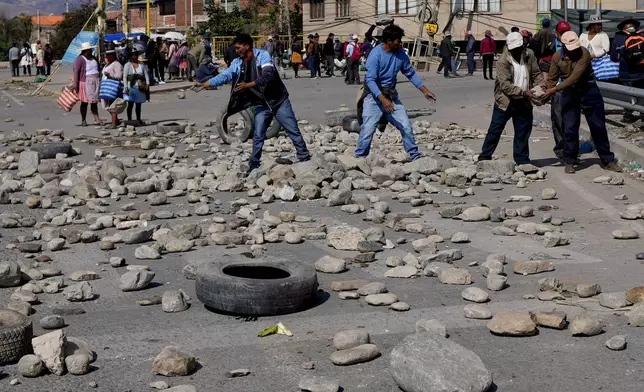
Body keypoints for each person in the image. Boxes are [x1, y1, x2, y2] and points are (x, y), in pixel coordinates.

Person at [196, 33, 311, 174]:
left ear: (247, 46)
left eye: (238, 48)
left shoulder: (262, 56)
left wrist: (249, 85)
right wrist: (205, 84)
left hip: (278, 101)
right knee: (258, 135)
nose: (236, 51)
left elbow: (268, 75)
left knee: (292, 129)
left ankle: (305, 158)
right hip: (261, 104)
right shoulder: (237, 63)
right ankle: (254, 164)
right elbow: (224, 76)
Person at [355, 24, 436, 160]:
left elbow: (410, 73)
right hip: (374, 97)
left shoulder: (401, 54)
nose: (401, 43)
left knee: (405, 125)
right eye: (398, 40)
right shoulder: (375, 55)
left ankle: (414, 155)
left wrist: (425, 90)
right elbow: (370, 81)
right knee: (368, 129)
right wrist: (383, 100)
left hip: (390, 95)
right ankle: (360, 158)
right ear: (389, 41)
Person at [545, 31, 621, 174]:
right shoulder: (557, 57)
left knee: (598, 126)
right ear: (564, 45)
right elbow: (552, 77)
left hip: (588, 89)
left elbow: (574, 77)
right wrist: (548, 92)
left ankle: (607, 160)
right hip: (569, 92)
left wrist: (554, 89)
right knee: (570, 127)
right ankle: (570, 160)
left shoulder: (584, 53)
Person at [478, 32, 544, 165]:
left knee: (523, 131)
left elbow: (536, 73)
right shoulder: (503, 61)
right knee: (495, 129)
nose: (516, 51)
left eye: (518, 48)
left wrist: (540, 86)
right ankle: (485, 157)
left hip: (524, 101)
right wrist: (524, 93)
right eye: (513, 49)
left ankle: (522, 160)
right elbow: (505, 85)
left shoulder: (529, 54)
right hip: (506, 101)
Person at [610, 16, 644, 123]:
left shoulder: (618, 38)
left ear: (623, 27)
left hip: (626, 73)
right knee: (642, 93)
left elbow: (613, 58)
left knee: (627, 95)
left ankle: (628, 115)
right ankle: (643, 115)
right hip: (641, 72)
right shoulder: (642, 35)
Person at [550, 21, 571, 160]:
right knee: (557, 120)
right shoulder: (551, 46)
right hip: (556, 89)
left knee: (570, 121)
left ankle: (570, 149)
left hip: (571, 88)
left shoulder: (574, 45)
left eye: (566, 32)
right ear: (557, 34)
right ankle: (561, 148)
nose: (564, 35)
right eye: (562, 33)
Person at [72, 42, 103, 126]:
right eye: (90, 49)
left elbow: (98, 69)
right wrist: (75, 84)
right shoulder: (80, 59)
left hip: (95, 81)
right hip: (85, 82)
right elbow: (76, 72)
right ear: (86, 50)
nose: (91, 51)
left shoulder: (93, 58)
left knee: (94, 102)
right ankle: (83, 120)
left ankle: (96, 118)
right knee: (84, 102)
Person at [580, 14, 616, 82]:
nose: (600, 26)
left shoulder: (603, 35)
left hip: (599, 63)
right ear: (592, 25)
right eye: (598, 25)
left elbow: (606, 49)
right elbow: (579, 46)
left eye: (600, 24)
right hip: (584, 62)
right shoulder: (583, 35)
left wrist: (593, 56)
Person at [123, 51, 149, 126]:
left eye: (136, 55)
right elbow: (125, 77)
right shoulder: (127, 65)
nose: (135, 57)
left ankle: (138, 119)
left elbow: (146, 74)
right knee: (130, 104)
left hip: (140, 87)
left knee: (138, 104)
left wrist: (147, 83)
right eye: (134, 55)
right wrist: (126, 87)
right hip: (130, 86)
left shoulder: (141, 64)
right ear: (130, 57)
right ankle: (129, 120)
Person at [102, 48, 124, 129]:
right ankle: (116, 121)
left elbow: (119, 76)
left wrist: (110, 76)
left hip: (113, 87)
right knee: (108, 105)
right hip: (106, 87)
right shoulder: (107, 64)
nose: (107, 57)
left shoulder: (117, 64)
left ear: (113, 56)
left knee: (113, 105)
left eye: (108, 55)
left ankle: (114, 123)